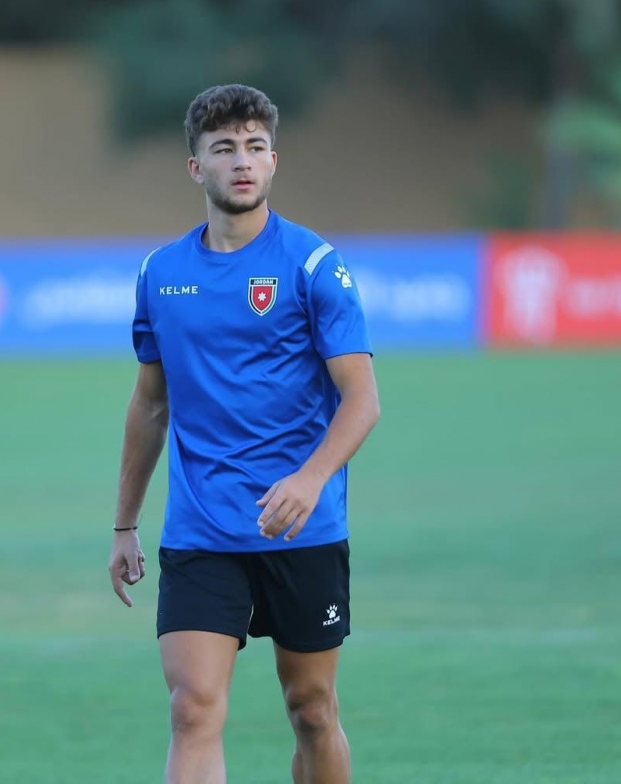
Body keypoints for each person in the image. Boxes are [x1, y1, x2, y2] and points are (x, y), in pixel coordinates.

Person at [108, 83, 380, 784]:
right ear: (195, 166)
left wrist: (310, 479)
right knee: (193, 708)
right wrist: (124, 524)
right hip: (201, 530)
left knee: (311, 709)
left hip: (302, 528)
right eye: (224, 148)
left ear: (273, 161)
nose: (242, 161)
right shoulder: (161, 273)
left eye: (255, 147)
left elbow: (362, 400)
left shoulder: (313, 264)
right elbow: (150, 406)